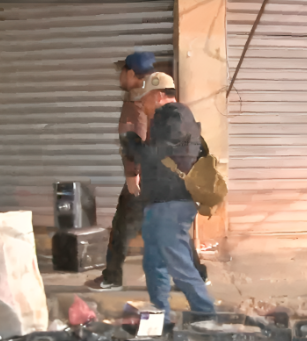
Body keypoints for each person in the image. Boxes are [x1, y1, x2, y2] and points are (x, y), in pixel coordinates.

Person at [87, 52, 207, 292]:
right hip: (157, 175)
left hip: (145, 175)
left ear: (131, 74)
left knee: (123, 227)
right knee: (171, 228)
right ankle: (197, 274)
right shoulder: (151, 96)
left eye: (122, 72)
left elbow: (141, 136)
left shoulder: (138, 101)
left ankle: (112, 277)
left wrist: (133, 174)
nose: (120, 77)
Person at [129, 72, 215, 320]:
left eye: (144, 99)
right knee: (153, 263)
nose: (142, 106)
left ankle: (207, 317)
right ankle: (160, 317)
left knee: (179, 266)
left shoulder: (176, 116)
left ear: (157, 95)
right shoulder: (167, 118)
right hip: (158, 203)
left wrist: (134, 146)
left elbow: (158, 153)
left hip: (172, 203)